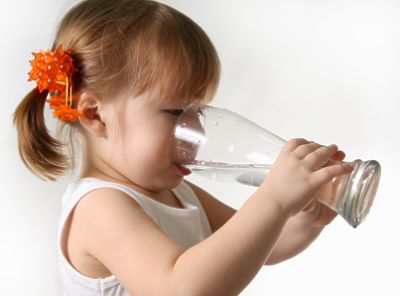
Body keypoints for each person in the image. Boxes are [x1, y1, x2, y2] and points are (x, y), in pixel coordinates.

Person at [13, 0, 354, 295]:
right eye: (176, 112)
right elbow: (182, 288)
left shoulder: (178, 192)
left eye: (199, 112)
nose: (197, 131)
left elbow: (261, 245)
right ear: (93, 114)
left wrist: (307, 218)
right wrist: (275, 199)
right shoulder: (99, 207)